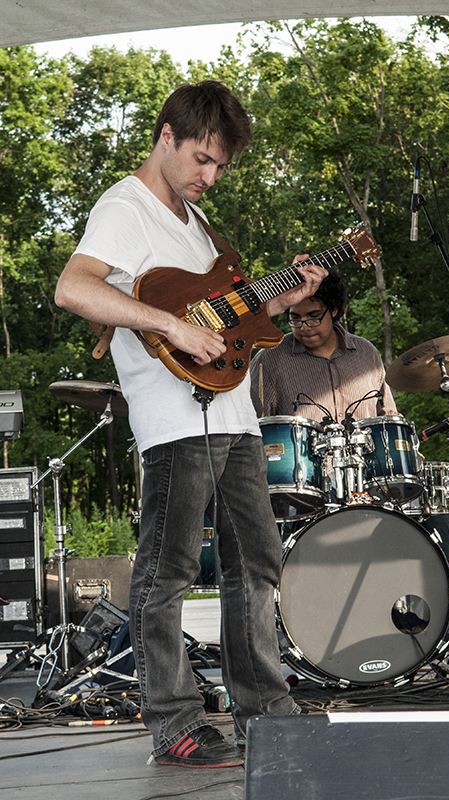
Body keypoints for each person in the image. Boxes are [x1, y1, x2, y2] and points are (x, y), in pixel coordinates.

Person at [55, 80, 327, 768]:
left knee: (257, 561)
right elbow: (74, 288)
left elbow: (231, 314)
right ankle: (174, 723)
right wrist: (170, 323)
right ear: (166, 137)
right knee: (166, 571)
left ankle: (264, 709)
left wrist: (280, 297)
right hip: (173, 422)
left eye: (221, 166)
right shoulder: (125, 205)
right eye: (202, 159)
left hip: (232, 415)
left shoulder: (197, 226)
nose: (210, 176)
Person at [250, 271, 449, 589]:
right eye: (295, 319)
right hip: (308, 492)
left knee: (433, 504)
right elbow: (257, 431)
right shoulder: (271, 360)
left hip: (369, 487)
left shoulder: (365, 353)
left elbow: (387, 415)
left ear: (334, 310)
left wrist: (408, 451)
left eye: (313, 317)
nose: (303, 327)